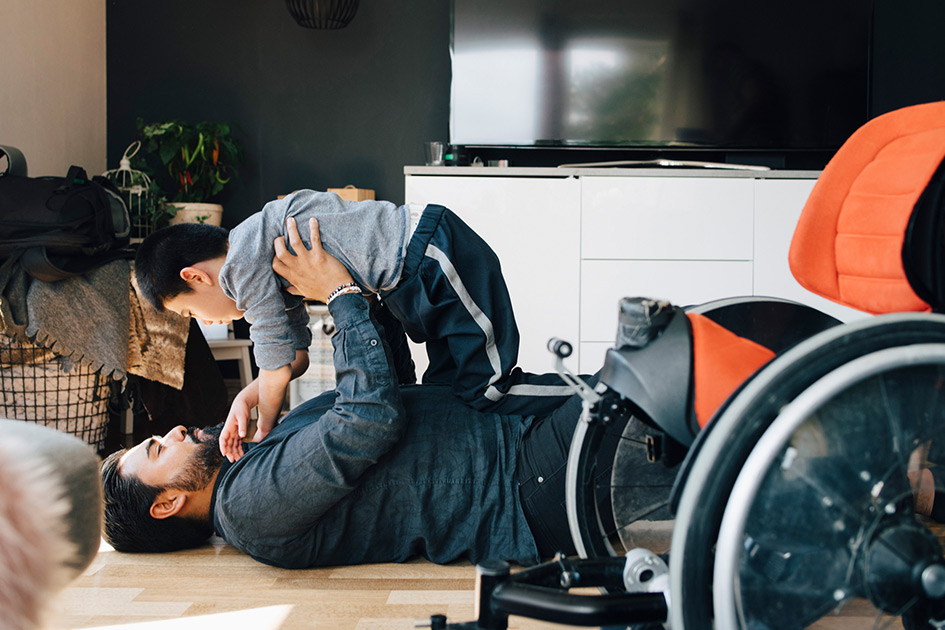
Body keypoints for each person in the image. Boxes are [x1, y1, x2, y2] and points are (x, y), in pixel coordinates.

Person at [102, 240, 605, 568]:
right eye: (155, 449)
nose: (173, 433)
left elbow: (390, 390)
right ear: (167, 503)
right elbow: (369, 418)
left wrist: (355, 286)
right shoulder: (250, 506)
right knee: (654, 374)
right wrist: (339, 294)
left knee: (658, 361)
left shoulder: (249, 466)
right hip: (520, 483)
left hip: (503, 432)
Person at [134, 191, 572, 459]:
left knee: (486, 390)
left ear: (196, 277)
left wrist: (263, 427)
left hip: (432, 255)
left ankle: (597, 396)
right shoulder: (266, 265)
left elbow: (273, 363)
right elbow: (293, 358)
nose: (207, 321)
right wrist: (246, 400)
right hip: (412, 283)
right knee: (447, 399)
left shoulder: (243, 264)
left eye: (193, 313)